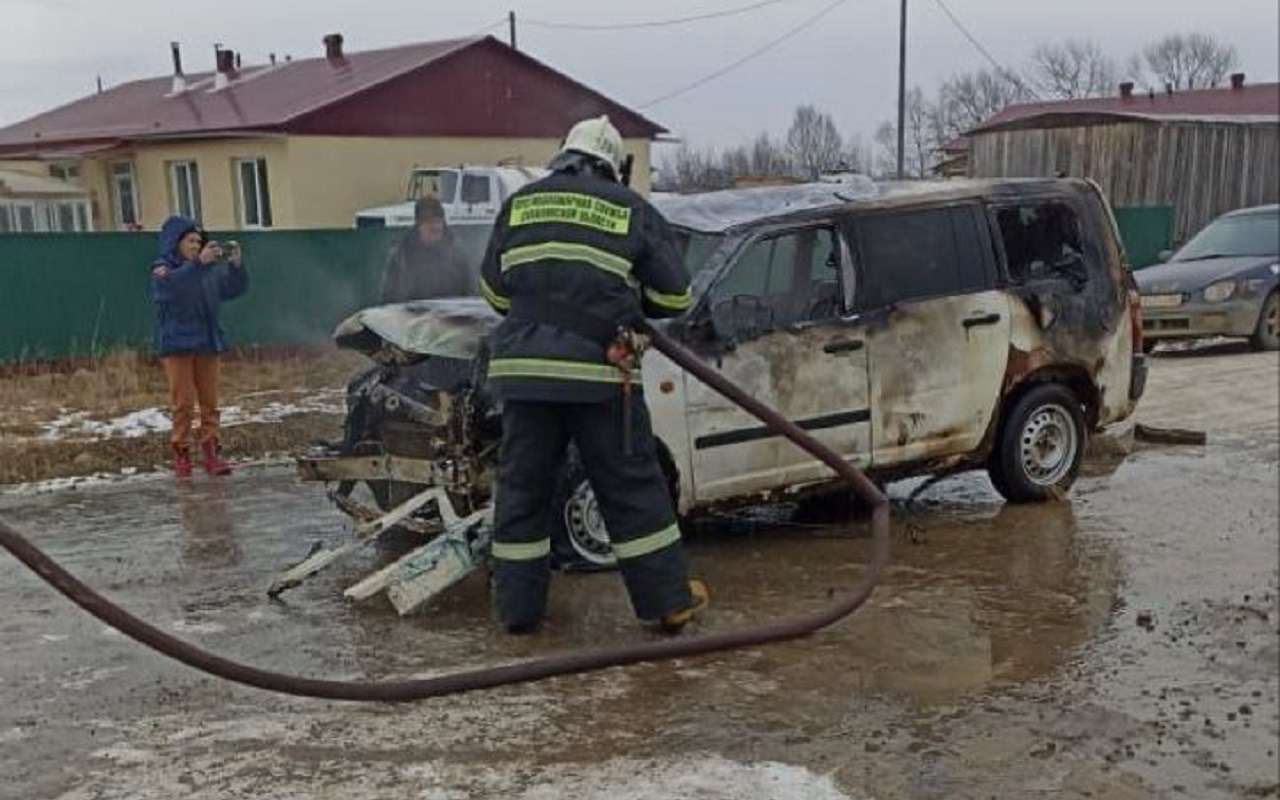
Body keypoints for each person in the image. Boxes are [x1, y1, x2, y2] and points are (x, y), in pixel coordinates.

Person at [479, 115, 708, 635]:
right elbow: (675, 296)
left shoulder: (520, 204)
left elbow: (494, 295)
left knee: (522, 492)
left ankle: (518, 613)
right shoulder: (630, 209)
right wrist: (624, 301)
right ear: (613, 165)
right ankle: (667, 603)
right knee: (629, 484)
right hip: (599, 373)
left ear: (564, 153)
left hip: (522, 374)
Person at [150, 216, 249, 478]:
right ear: (176, 243)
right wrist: (198, 264)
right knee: (183, 403)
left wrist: (236, 267)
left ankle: (211, 452)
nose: (196, 245)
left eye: (198, 241)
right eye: (190, 241)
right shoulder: (163, 269)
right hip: (178, 345)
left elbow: (230, 289)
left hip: (207, 343)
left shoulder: (206, 271)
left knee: (210, 403)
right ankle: (181, 452)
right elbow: (172, 291)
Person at [380, 196, 474, 303]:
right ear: (418, 225)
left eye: (438, 222)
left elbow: (469, 293)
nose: (435, 227)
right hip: (412, 316)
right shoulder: (401, 256)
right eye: (429, 223)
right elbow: (389, 298)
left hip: (450, 316)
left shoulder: (457, 253)